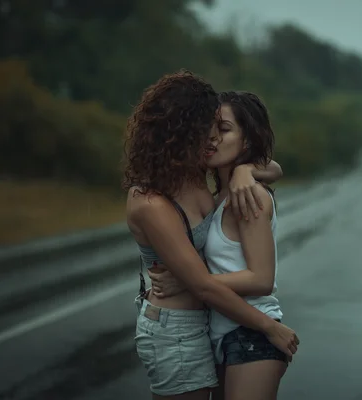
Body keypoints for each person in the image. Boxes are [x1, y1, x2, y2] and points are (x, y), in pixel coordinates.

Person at [123, 70, 299, 400]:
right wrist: (267, 325)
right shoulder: (165, 196)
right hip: (193, 329)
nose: (212, 137)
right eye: (208, 128)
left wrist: (247, 169)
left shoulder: (231, 190)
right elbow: (203, 283)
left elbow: (260, 278)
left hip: (231, 329)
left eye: (221, 129)